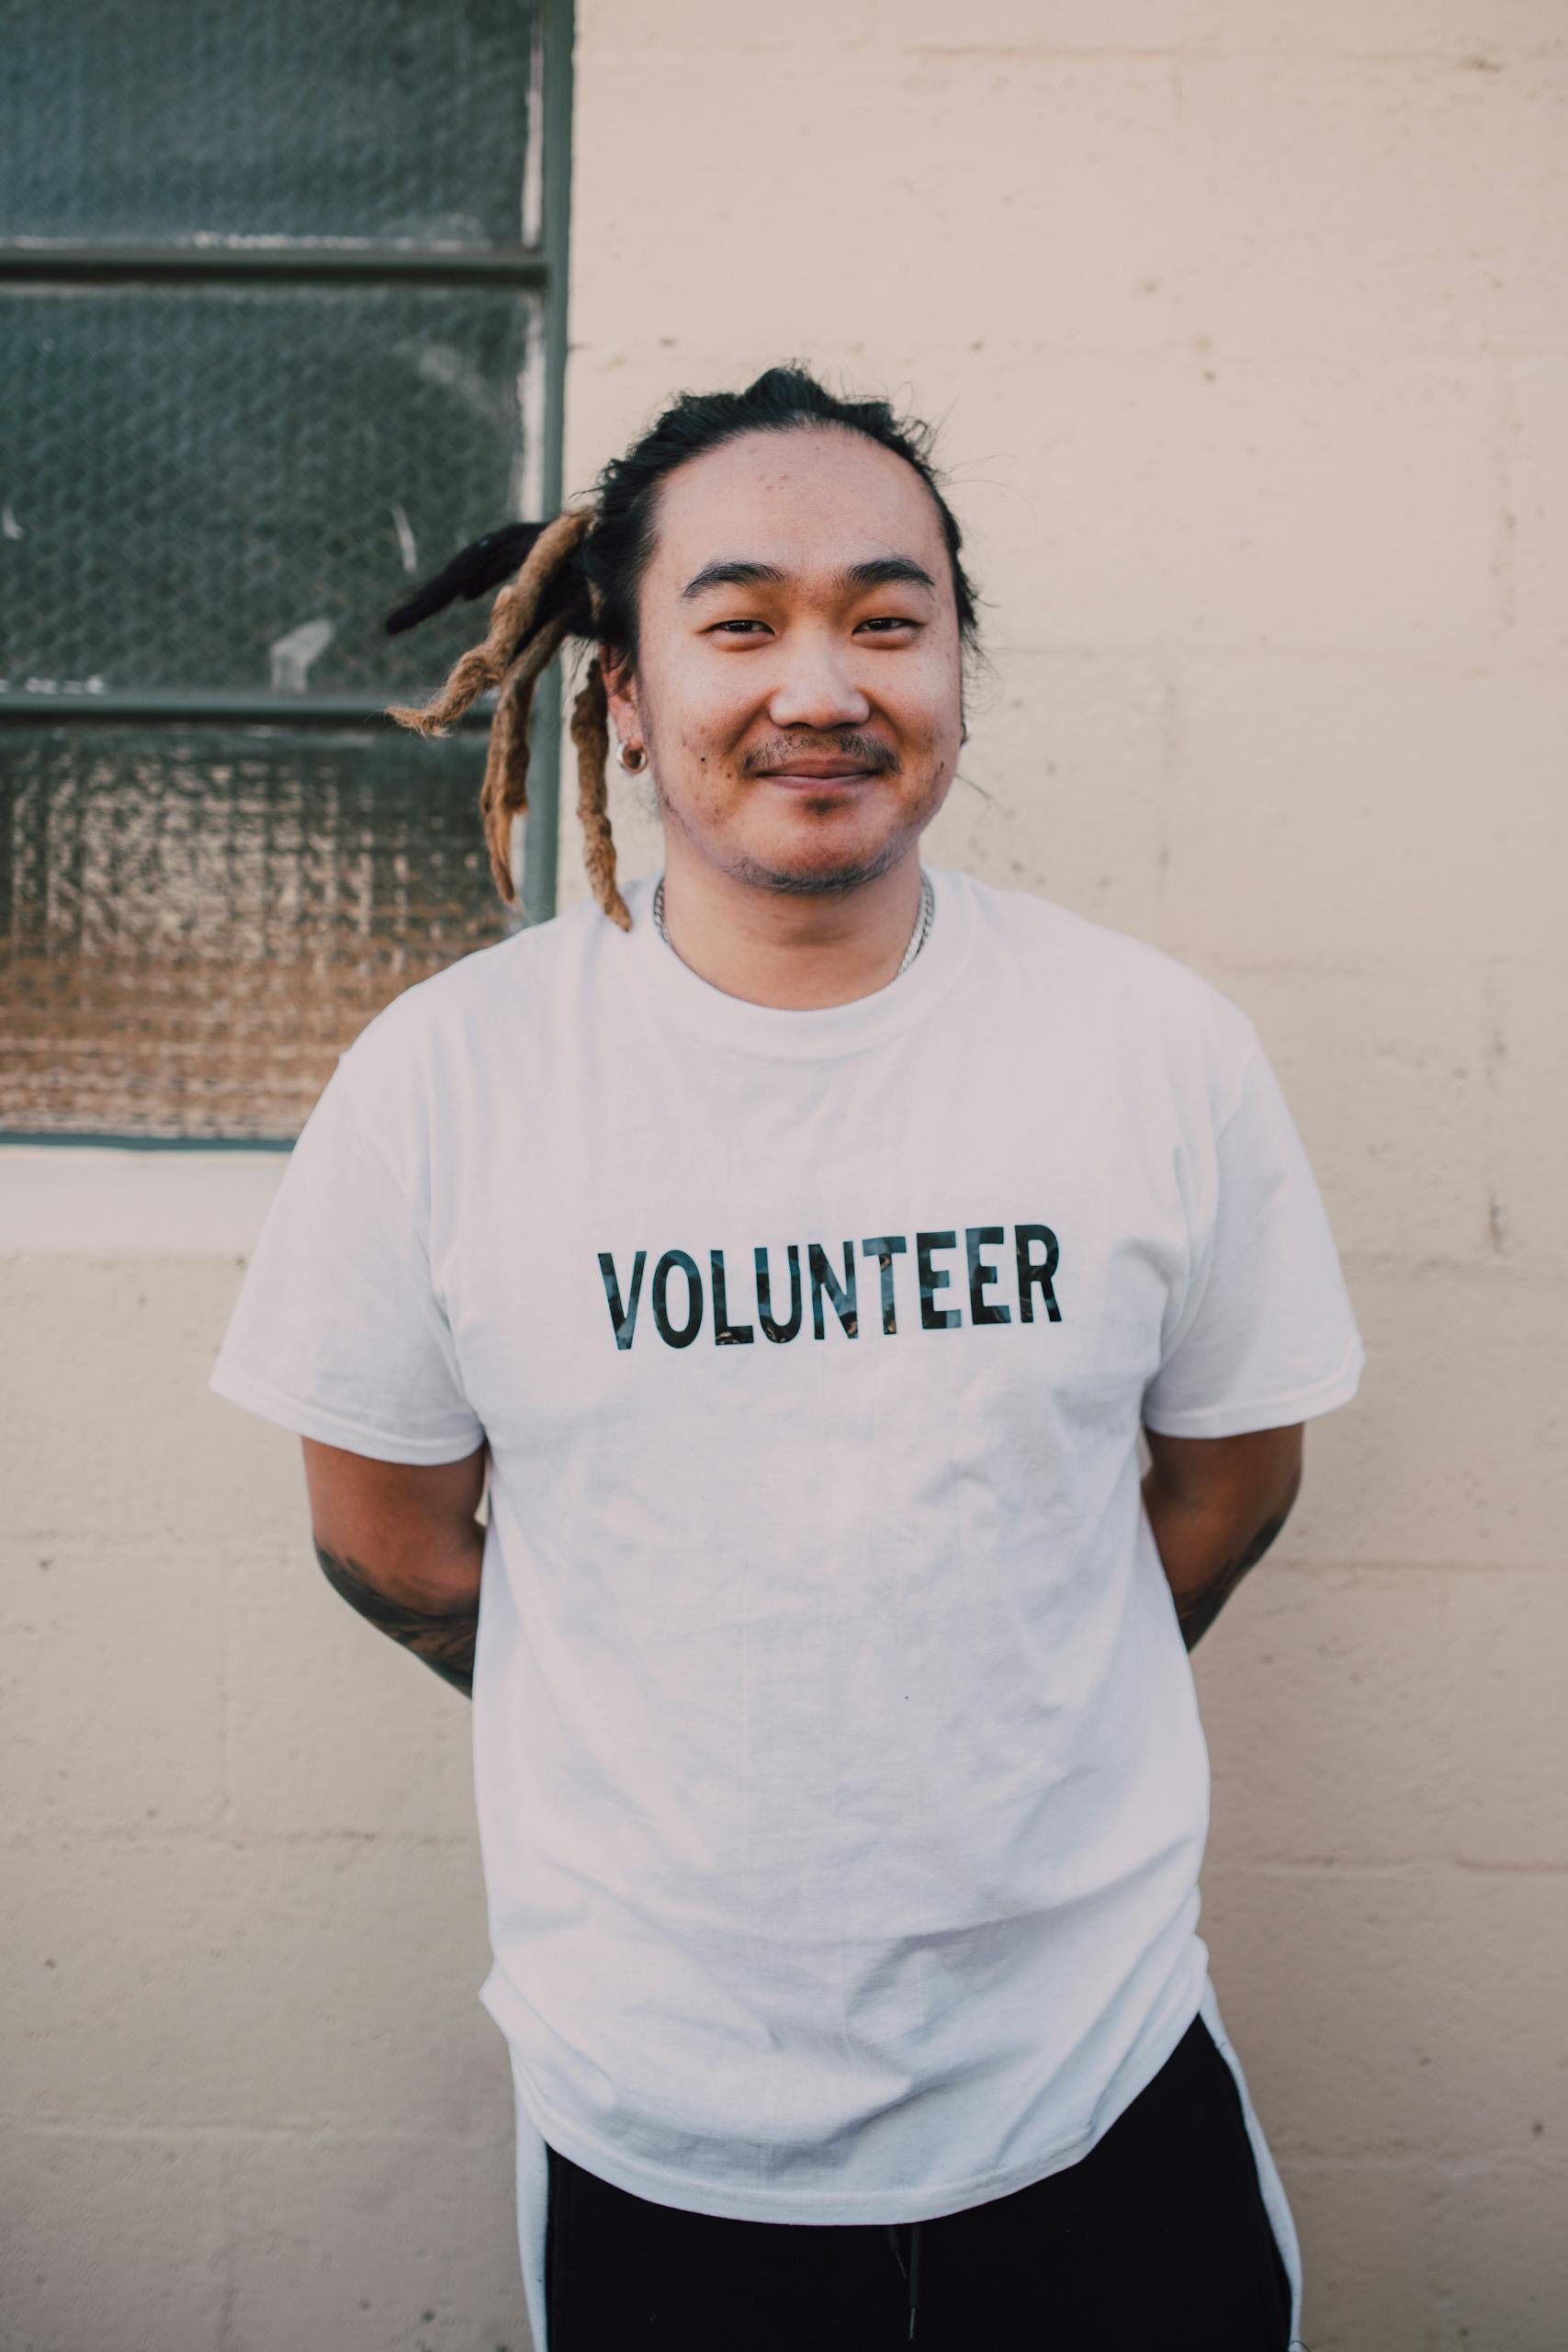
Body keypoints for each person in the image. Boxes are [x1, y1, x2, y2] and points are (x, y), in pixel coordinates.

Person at [209, 365, 1362, 2351]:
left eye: (884, 619)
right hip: (663, 2129)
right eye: (737, 622)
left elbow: (1228, 1483)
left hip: (1094, 2090)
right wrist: (669, 1698)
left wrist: (993, 1662)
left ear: (954, 671)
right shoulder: (451, 1082)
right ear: (628, 694)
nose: (817, 685)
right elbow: (386, 1536)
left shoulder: (1150, 1049)